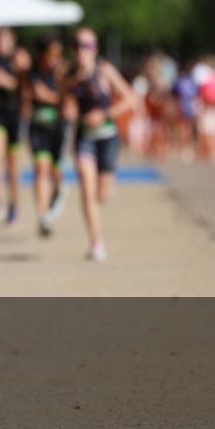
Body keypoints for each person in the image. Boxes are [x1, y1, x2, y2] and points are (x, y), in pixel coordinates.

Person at [62, 28, 137, 261]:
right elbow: (64, 104)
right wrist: (68, 111)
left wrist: (104, 114)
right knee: (86, 189)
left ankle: (108, 184)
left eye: (88, 46)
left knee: (102, 195)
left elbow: (131, 99)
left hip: (107, 137)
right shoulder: (69, 78)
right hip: (84, 138)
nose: (82, 51)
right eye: (78, 46)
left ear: (95, 49)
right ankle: (96, 242)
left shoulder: (105, 71)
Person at [0, 27, 30, 226]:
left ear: (13, 40)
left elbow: (28, 85)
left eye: (4, 40)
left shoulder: (20, 58)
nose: (0, 44)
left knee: (12, 165)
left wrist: (9, 82)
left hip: (14, 114)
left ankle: (14, 205)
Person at [27, 34, 68, 237]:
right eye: (52, 53)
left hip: (57, 129)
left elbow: (64, 98)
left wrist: (56, 95)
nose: (56, 58)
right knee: (41, 169)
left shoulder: (63, 73)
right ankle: (43, 216)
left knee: (56, 172)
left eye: (59, 54)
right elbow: (36, 93)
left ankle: (60, 190)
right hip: (38, 128)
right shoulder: (32, 73)